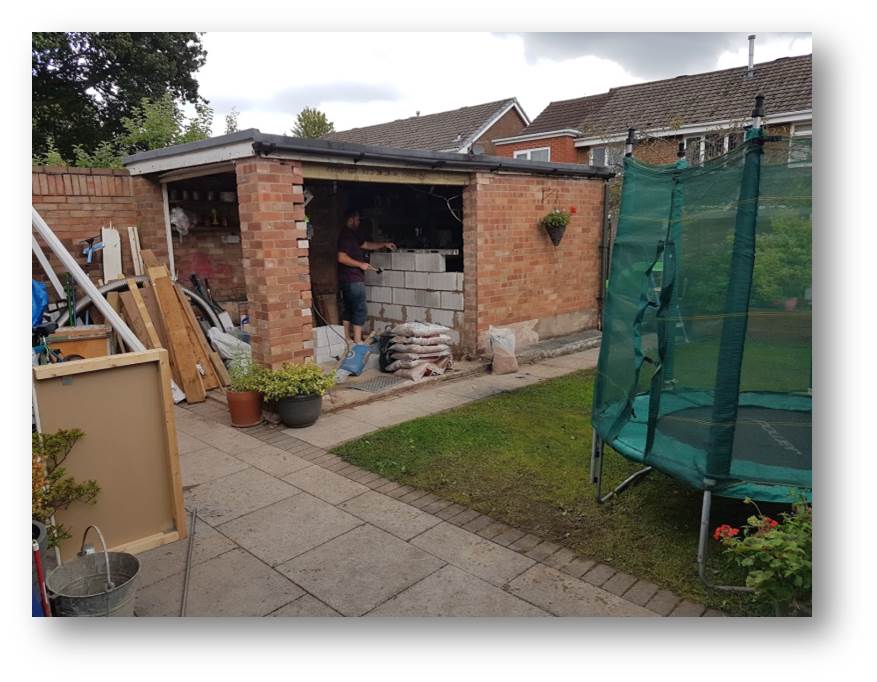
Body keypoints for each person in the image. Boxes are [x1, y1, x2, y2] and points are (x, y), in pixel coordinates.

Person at [337, 209, 396, 344]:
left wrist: (384, 244)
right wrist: (360, 264)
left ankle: (347, 338)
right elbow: (341, 257)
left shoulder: (352, 234)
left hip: (348, 279)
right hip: (352, 279)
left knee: (348, 308)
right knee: (359, 309)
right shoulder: (345, 236)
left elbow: (366, 245)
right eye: (357, 219)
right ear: (351, 219)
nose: (359, 222)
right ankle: (358, 340)